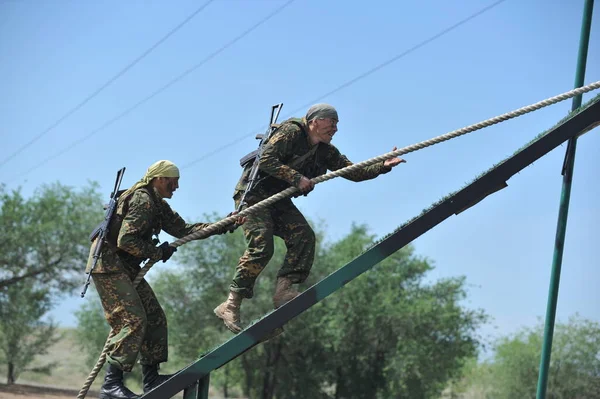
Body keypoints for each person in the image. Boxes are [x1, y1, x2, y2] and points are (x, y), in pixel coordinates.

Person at [214, 103, 405, 334]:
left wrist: (382, 167)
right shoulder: (292, 132)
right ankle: (231, 304)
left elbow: (352, 171)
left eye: (336, 124)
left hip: (278, 200)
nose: (335, 128)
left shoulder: (325, 150)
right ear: (314, 121)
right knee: (262, 247)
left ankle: (284, 290)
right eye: (331, 123)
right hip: (254, 196)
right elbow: (265, 159)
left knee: (303, 235)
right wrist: (296, 178)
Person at [86, 160, 244, 399]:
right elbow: (126, 241)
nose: (177, 187)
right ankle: (111, 385)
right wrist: (157, 252)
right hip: (109, 265)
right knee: (133, 320)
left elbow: (185, 229)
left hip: (124, 265)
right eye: (173, 181)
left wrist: (224, 224)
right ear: (159, 179)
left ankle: (151, 380)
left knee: (154, 318)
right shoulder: (142, 200)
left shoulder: (157, 204)